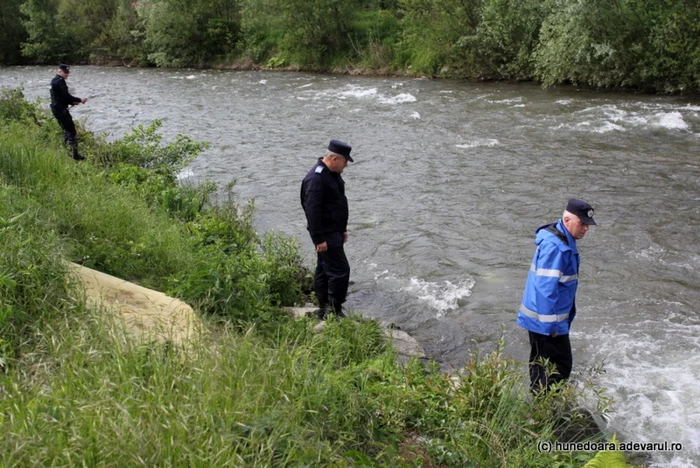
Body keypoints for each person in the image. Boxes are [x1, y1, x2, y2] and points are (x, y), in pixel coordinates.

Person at [516, 199, 597, 393]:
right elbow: (545, 289)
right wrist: (551, 327)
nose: (586, 228)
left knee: (541, 365)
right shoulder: (557, 247)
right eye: (582, 223)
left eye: (587, 224)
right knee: (560, 367)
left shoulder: (559, 239)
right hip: (547, 322)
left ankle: (539, 409)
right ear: (567, 220)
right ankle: (548, 411)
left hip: (540, 319)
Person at [300, 140, 354, 320]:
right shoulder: (316, 179)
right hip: (325, 234)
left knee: (324, 270)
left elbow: (337, 204)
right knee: (340, 271)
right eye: (345, 162)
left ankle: (323, 308)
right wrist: (318, 239)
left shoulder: (332, 174)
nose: (346, 166)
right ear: (334, 158)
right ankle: (334, 310)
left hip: (334, 231)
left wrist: (342, 229)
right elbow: (312, 212)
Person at [50, 64, 88, 161]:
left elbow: (61, 97)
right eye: (65, 72)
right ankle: (74, 155)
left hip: (56, 109)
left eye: (68, 72)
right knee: (71, 131)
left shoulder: (54, 81)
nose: (67, 74)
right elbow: (66, 96)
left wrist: (72, 102)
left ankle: (67, 152)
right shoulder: (60, 81)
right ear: (59, 71)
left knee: (66, 130)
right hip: (61, 110)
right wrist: (80, 99)